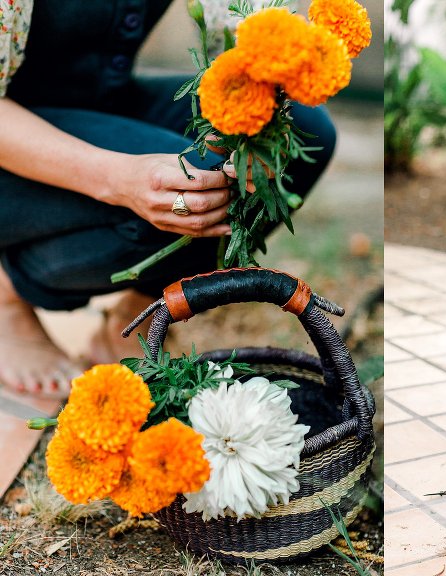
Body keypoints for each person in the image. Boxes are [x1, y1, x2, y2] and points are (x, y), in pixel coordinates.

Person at [0, 1, 335, 397]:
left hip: (101, 102)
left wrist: (254, 112)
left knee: (296, 134)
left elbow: (243, 21)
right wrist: (119, 179)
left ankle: (134, 316)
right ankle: (6, 294)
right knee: (186, 183)